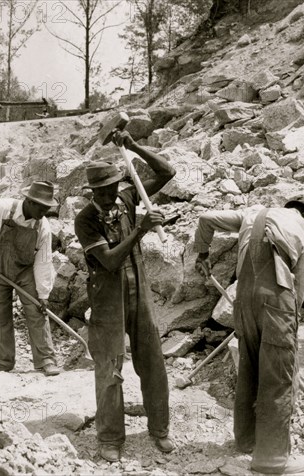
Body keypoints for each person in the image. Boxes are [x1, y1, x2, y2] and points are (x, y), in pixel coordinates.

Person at [194, 195, 304, 475]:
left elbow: (205, 219)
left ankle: (246, 440)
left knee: (249, 367)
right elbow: (298, 292)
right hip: (277, 304)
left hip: (243, 301)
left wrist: (202, 254)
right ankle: (273, 458)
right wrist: (289, 329)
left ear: (291, 207)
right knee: (278, 378)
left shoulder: (254, 213)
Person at [74, 130, 176, 462]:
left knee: (153, 362)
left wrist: (132, 146)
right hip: (106, 298)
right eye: (100, 192)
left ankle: (159, 430)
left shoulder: (128, 198)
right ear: (92, 192)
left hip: (140, 293)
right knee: (109, 367)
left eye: (111, 189)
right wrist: (140, 230)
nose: (107, 196)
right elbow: (110, 261)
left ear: (119, 184)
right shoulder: (85, 220)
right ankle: (110, 438)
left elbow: (166, 172)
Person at [0, 181, 61, 377]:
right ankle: (4, 360)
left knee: (36, 312)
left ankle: (46, 360)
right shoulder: (3, 208)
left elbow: (43, 260)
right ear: (30, 202)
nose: (44, 212)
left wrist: (43, 294)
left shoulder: (42, 226)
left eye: (47, 208)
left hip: (25, 272)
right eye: (42, 208)